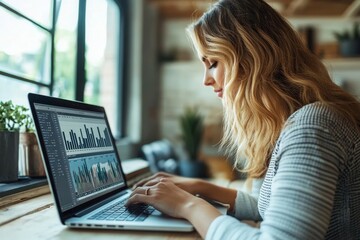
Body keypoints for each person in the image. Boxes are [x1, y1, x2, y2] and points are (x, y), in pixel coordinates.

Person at [126, 0, 360, 239]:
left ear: (252, 59)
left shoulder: (314, 125)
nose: (206, 80)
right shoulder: (291, 122)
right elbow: (267, 205)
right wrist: (199, 187)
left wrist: (187, 205)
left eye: (213, 63)